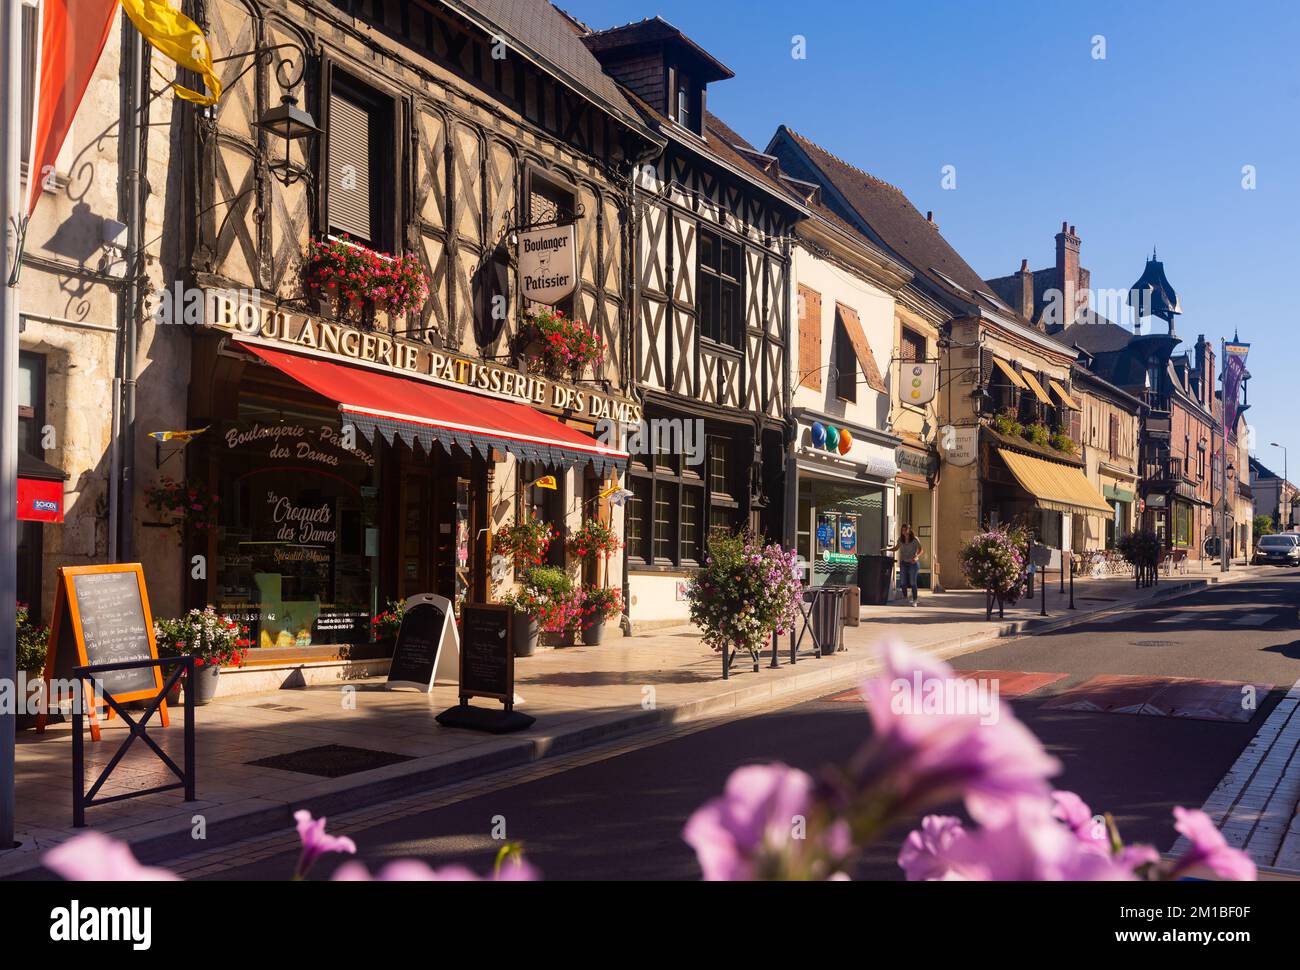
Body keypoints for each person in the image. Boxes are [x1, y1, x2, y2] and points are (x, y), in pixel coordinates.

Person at [884, 525, 923, 606]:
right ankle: (905, 597)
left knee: (912, 582)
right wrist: (887, 549)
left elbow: (921, 550)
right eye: (902, 530)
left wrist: (916, 557)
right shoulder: (900, 539)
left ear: (909, 530)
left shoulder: (915, 539)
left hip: (913, 563)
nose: (904, 531)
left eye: (905, 530)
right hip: (904, 563)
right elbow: (896, 548)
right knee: (902, 582)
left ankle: (915, 600)